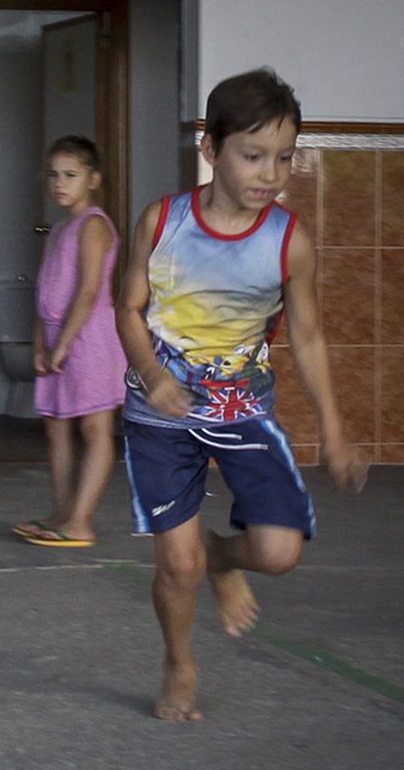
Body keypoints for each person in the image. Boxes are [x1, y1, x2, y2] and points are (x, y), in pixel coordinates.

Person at [115, 67, 368, 722]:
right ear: (211, 148)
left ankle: (222, 558)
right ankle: (179, 663)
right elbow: (128, 309)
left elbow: (307, 337)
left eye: (284, 158)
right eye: (253, 156)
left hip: (241, 409)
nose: (270, 174)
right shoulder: (162, 222)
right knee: (177, 566)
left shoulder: (289, 242)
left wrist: (334, 429)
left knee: (279, 553)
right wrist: (152, 373)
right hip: (160, 413)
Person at [15, 137, 127, 547]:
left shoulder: (94, 224)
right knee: (56, 426)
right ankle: (61, 513)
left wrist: (64, 342)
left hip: (88, 337)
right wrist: (39, 342)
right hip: (56, 335)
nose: (60, 183)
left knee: (95, 428)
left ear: (93, 179)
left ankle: (81, 520)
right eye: (54, 175)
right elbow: (46, 289)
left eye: (70, 175)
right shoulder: (59, 228)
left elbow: (88, 290)